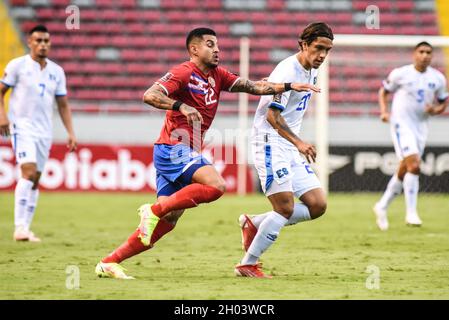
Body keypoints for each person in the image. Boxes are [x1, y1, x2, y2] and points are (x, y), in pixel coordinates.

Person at [95, 27, 319, 279]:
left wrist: (289, 85)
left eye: (218, 46)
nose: (217, 50)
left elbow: (253, 86)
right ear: (194, 49)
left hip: (186, 150)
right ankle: (152, 211)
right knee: (216, 185)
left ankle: (109, 262)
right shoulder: (183, 72)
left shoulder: (217, 75)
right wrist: (181, 105)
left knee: (170, 218)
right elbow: (150, 95)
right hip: (172, 147)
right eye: (210, 45)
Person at [235, 22, 334, 278]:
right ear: (303, 44)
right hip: (269, 142)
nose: (322, 55)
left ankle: (254, 223)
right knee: (285, 208)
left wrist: (295, 143)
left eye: (327, 50)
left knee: (317, 205)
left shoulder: (311, 68)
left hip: (287, 145)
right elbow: (272, 117)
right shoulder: (287, 71)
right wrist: (299, 142)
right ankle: (248, 264)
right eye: (318, 48)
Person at [0, 25, 77, 242]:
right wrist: (3, 116)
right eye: (39, 40)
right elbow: (1, 91)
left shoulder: (57, 72)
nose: (43, 44)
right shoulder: (18, 66)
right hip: (21, 126)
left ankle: (25, 228)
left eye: (46, 41)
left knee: (36, 179)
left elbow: (62, 104)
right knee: (28, 172)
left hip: (44, 131)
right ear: (30, 42)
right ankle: (19, 228)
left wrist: (70, 132)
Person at [373, 41, 448, 231]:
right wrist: (384, 111)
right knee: (414, 165)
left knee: (405, 167)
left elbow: (442, 103)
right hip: (401, 124)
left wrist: (435, 110)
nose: (425, 55)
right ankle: (411, 212)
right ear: (414, 54)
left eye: (428, 52)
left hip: (420, 127)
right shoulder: (401, 74)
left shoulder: (438, 78)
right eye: (421, 51)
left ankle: (382, 206)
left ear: (432, 56)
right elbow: (384, 91)